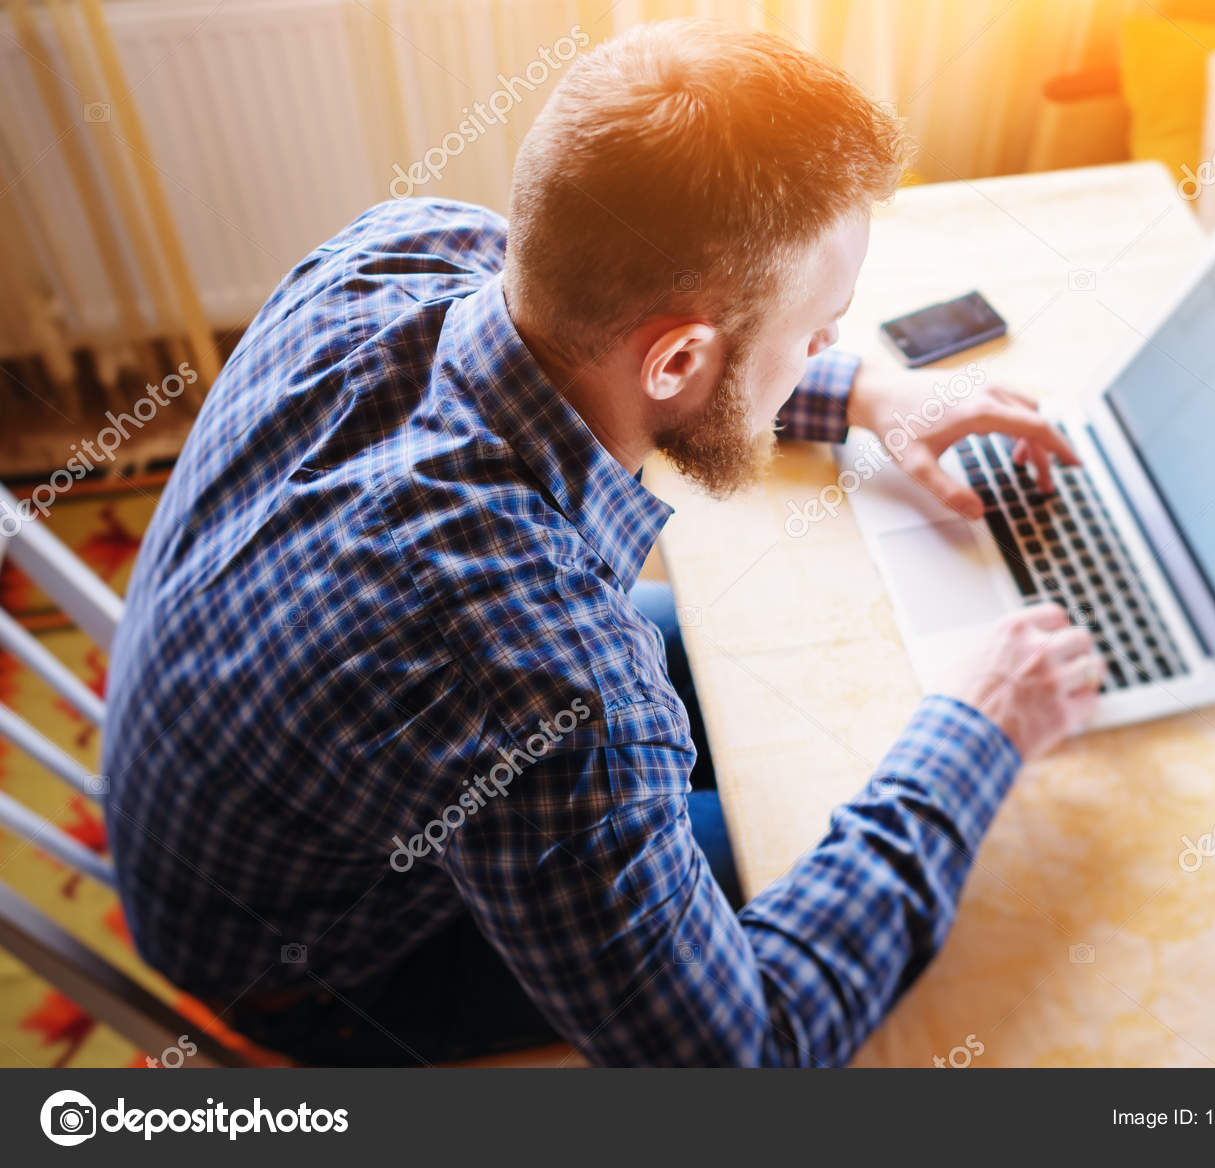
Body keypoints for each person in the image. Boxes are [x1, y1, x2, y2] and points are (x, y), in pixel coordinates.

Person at [102, 18, 1103, 1067]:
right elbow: (739, 1051)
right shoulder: (542, 681)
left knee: (762, 699)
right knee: (797, 825)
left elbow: (628, 335)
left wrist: (866, 392)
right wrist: (979, 732)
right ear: (674, 362)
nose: (826, 348)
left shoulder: (403, 245)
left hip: (223, 774)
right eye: (818, 332)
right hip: (315, 974)